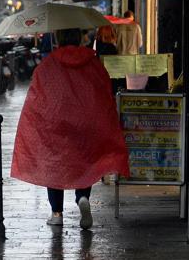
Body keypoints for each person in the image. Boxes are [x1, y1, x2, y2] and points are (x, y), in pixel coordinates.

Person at [11, 27, 129, 229]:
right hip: (86, 123)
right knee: (85, 161)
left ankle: (57, 213)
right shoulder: (93, 63)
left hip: (57, 124)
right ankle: (82, 197)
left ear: (58, 38)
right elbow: (103, 90)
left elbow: (38, 95)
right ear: (80, 38)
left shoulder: (49, 64)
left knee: (54, 164)